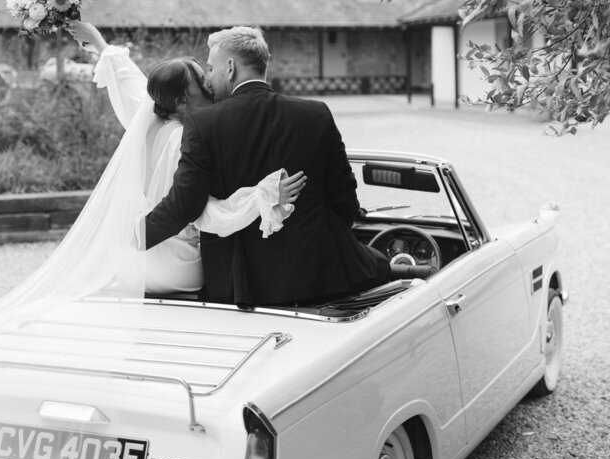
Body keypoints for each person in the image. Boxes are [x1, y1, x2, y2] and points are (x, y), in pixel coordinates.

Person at [145, 25, 391, 308]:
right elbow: (345, 199)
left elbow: (185, 205)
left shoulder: (203, 125)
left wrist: (131, 238)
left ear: (230, 67)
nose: (209, 79)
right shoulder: (316, 114)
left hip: (241, 286)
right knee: (387, 269)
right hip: (321, 275)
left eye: (211, 69)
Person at [68, 21, 306, 294]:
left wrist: (100, 44)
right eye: (203, 83)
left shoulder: (146, 120)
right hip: (177, 269)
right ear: (182, 101)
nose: (211, 86)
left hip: (134, 266)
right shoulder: (184, 141)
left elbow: (129, 83)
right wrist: (263, 195)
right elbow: (202, 212)